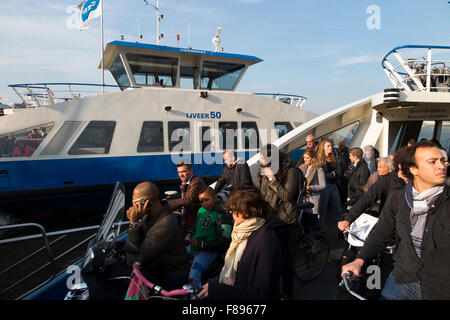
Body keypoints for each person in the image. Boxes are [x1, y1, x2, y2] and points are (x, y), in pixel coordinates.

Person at [341, 141, 449, 299]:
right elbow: (379, 233)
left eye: (442, 160)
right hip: (403, 276)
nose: (441, 166)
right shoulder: (399, 198)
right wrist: (359, 260)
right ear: (413, 169)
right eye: (432, 162)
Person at [197, 186, 282, 300]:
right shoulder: (244, 232)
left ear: (246, 212)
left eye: (234, 209)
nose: (230, 212)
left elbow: (261, 293)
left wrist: (220, 290)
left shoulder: (266, 241)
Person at [254, 144, 301, 299]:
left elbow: (287, 196)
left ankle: (288, 294)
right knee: (269, 261)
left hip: (283, 220)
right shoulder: (263, 168)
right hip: (267, 218)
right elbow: (257, 189)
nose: (260, 161)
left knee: (284, 262)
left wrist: (272, 179)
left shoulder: (291, 171)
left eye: (262, 158)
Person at [124, 181, 190, 290]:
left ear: (146, 202)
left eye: (134, 201)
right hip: (158, 266)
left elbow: (135, 261)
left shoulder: (165, 225)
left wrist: (133, 223)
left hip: (171, 275)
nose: (132, 204)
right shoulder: (151, 213)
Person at [338, 147, 409, 232]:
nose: (378, 169)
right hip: (393, 222)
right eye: (377, 167)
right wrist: (349, 218)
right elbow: (368, 196)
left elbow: (368, 196)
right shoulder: (385, 179)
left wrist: (348, 218)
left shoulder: (388, 180)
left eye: (381, 167)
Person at [184, 187, 233, 289]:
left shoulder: (223, 216)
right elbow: (198, 224)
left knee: (193, 277)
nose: (204, 203)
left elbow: (223, 242)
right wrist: (189, 233)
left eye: (207, 200)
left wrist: (200, 244)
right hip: (195, 245)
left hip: (208, 250)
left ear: (215, 197)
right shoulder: (202, 211)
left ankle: (197, 296)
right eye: (201, 201)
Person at [297, 149, 326, 252]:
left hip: (313, 200)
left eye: (307, 158)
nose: (305, 160)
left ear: (313, 158)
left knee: (314, 224)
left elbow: (323, 185)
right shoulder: (302, 168)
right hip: (304, 200)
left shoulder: (319, 169)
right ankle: (308, 243)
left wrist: (311, 188)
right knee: (305, 224)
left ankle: (316, 245)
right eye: (304, 158)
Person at [168, 161, 206, 232]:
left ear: (191, 170)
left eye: (183, 171)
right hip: (188, 218)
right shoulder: (187, 181)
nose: (180, 175)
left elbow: (188, 200)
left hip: (195, 220)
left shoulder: (196, 182)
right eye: (179, 172)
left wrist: (169, 204)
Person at [316, 138, 343, 233]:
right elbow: (321, 175)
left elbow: (339, 172)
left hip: (333, 185)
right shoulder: (319, 159)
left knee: (338, 208)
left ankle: (341, 229)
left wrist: (332, 175)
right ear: (323, 147)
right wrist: (333, 174)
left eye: (331, 145)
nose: (330, 147)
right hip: (324, 186)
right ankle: (321, 230)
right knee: (322, 209)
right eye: (328, 146)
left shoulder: (333, 158)